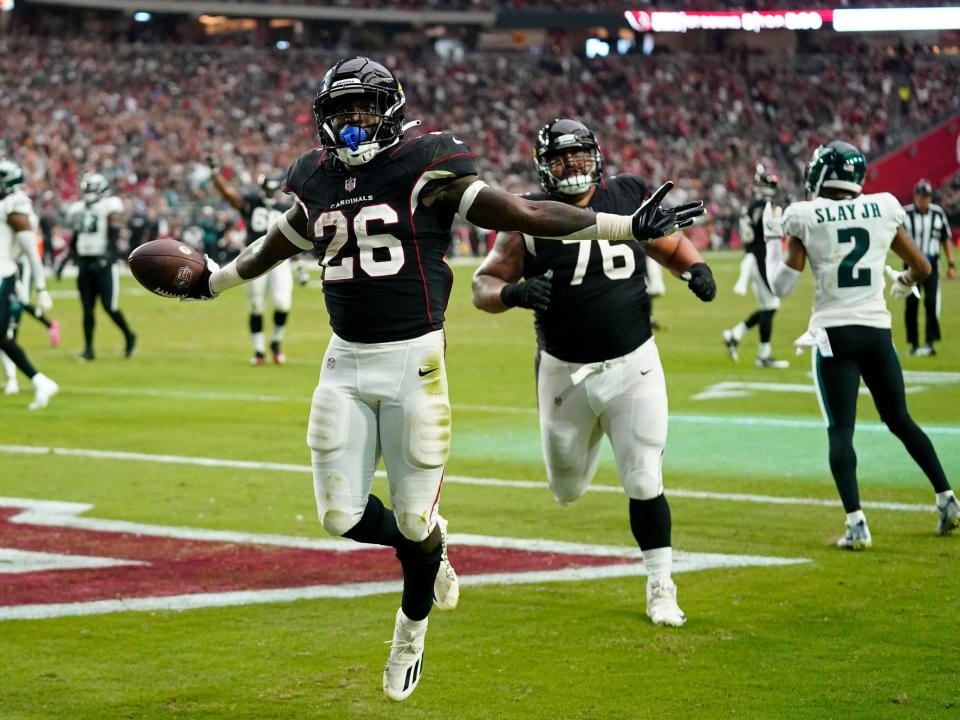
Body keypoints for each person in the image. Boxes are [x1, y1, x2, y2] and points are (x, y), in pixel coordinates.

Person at [180, 58, 702, 701]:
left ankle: (409, 633)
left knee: (408, 513)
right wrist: (215, 280)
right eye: (340, 113)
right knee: (339, 516)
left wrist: (621, 225)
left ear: (392, 111)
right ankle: (430, 542)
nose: (352, 125)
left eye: (364, 110)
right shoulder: (313, 179)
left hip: (413, 361)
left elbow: (523, 213)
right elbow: (277, 244)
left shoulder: (428, 168)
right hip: (344, 360)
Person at [471, 118, 715, 628]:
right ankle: (598, 435)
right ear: (544, 167)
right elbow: (483, 283)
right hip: (564, 372)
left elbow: (666, 243)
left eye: (579, 157)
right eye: (561, 160)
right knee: (567, 488)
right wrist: (511, 294)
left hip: (634, 363)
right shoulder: (530, 214)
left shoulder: (627, 193)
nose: (572, 168)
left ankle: (661, 584)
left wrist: (695, 268)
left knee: (644, 475)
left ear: (595, 158)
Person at [764, 140, 958, 549]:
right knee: (901, 419)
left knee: (841, 430)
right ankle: (947, 497)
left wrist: (770, 242)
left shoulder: (805, 216)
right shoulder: (885, 206)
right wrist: (902, 282)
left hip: (835, 333)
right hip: (876, 332)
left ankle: (856, 523)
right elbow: (922, 266)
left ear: (820, 174)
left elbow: (781, 287)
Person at [208, 162, 297, 365]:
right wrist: (215, 173)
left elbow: (294, 234)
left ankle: (275, 341)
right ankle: (258, 350)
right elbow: (229, 195)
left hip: (281, 258)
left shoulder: (284, 208)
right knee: (256, 305)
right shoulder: (252, 202)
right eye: (268, 188)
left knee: (283, 303)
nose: (270, 193)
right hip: (254, 256)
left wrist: (299, 263)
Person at [0, 158, 58, 409]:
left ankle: (37, 381)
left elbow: (31, 251)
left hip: (2, 275)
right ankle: (39, 381)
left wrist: (41, 287)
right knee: (2, 338)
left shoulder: (15, 205)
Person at [723, 165, 789, 368]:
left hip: (752, 257)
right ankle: (763, 355)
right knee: (771, 305)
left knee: (768, 306)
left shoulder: (751, 205)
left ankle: (735, 334)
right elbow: (768, 233)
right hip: (759, 258)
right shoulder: (763, 205)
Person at [66, 173, 136, 361]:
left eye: (91, 188)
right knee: (87, 308)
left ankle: (129, 335)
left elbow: (114, 232)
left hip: (104, 263)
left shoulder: (109, 205)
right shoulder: (79, 208)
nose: (88, 192)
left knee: (109, 306)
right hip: (85, 262)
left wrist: (107, 257)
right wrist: (66, 259)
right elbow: (76, 235)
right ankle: (88, 349)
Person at [902, 179, 956, 356]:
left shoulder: (938, 214)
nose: (924, 200)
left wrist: (951, 263)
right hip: (911, 265)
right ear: (915, 196)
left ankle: (930, 343)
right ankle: (914, 344)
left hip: (932, 264)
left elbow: (945, 239)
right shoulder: (905, 214)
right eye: (921, 196)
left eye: (927, 196)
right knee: (911, 305)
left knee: (931, 303)